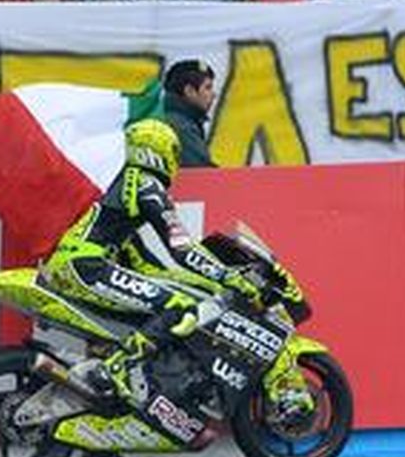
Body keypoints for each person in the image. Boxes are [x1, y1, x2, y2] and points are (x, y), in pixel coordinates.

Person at [44, 118, 280, 418]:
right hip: (86, 267)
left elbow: (146, 265)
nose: (176, 162)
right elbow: (181, 247)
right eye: (174, 152)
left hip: (76, 264)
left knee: (133, 322)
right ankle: (114, 370)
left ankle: (100, 439)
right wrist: (229, 276)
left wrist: (204, 285)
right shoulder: (146, 185)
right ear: (157, 151)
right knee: (179, 306)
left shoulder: (125, 186)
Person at [163, 59, 217, 167]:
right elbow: (203, 173)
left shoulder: (173, 119)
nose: (214, 94)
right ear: (190, 91)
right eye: (208, 88)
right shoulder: (181, 127)